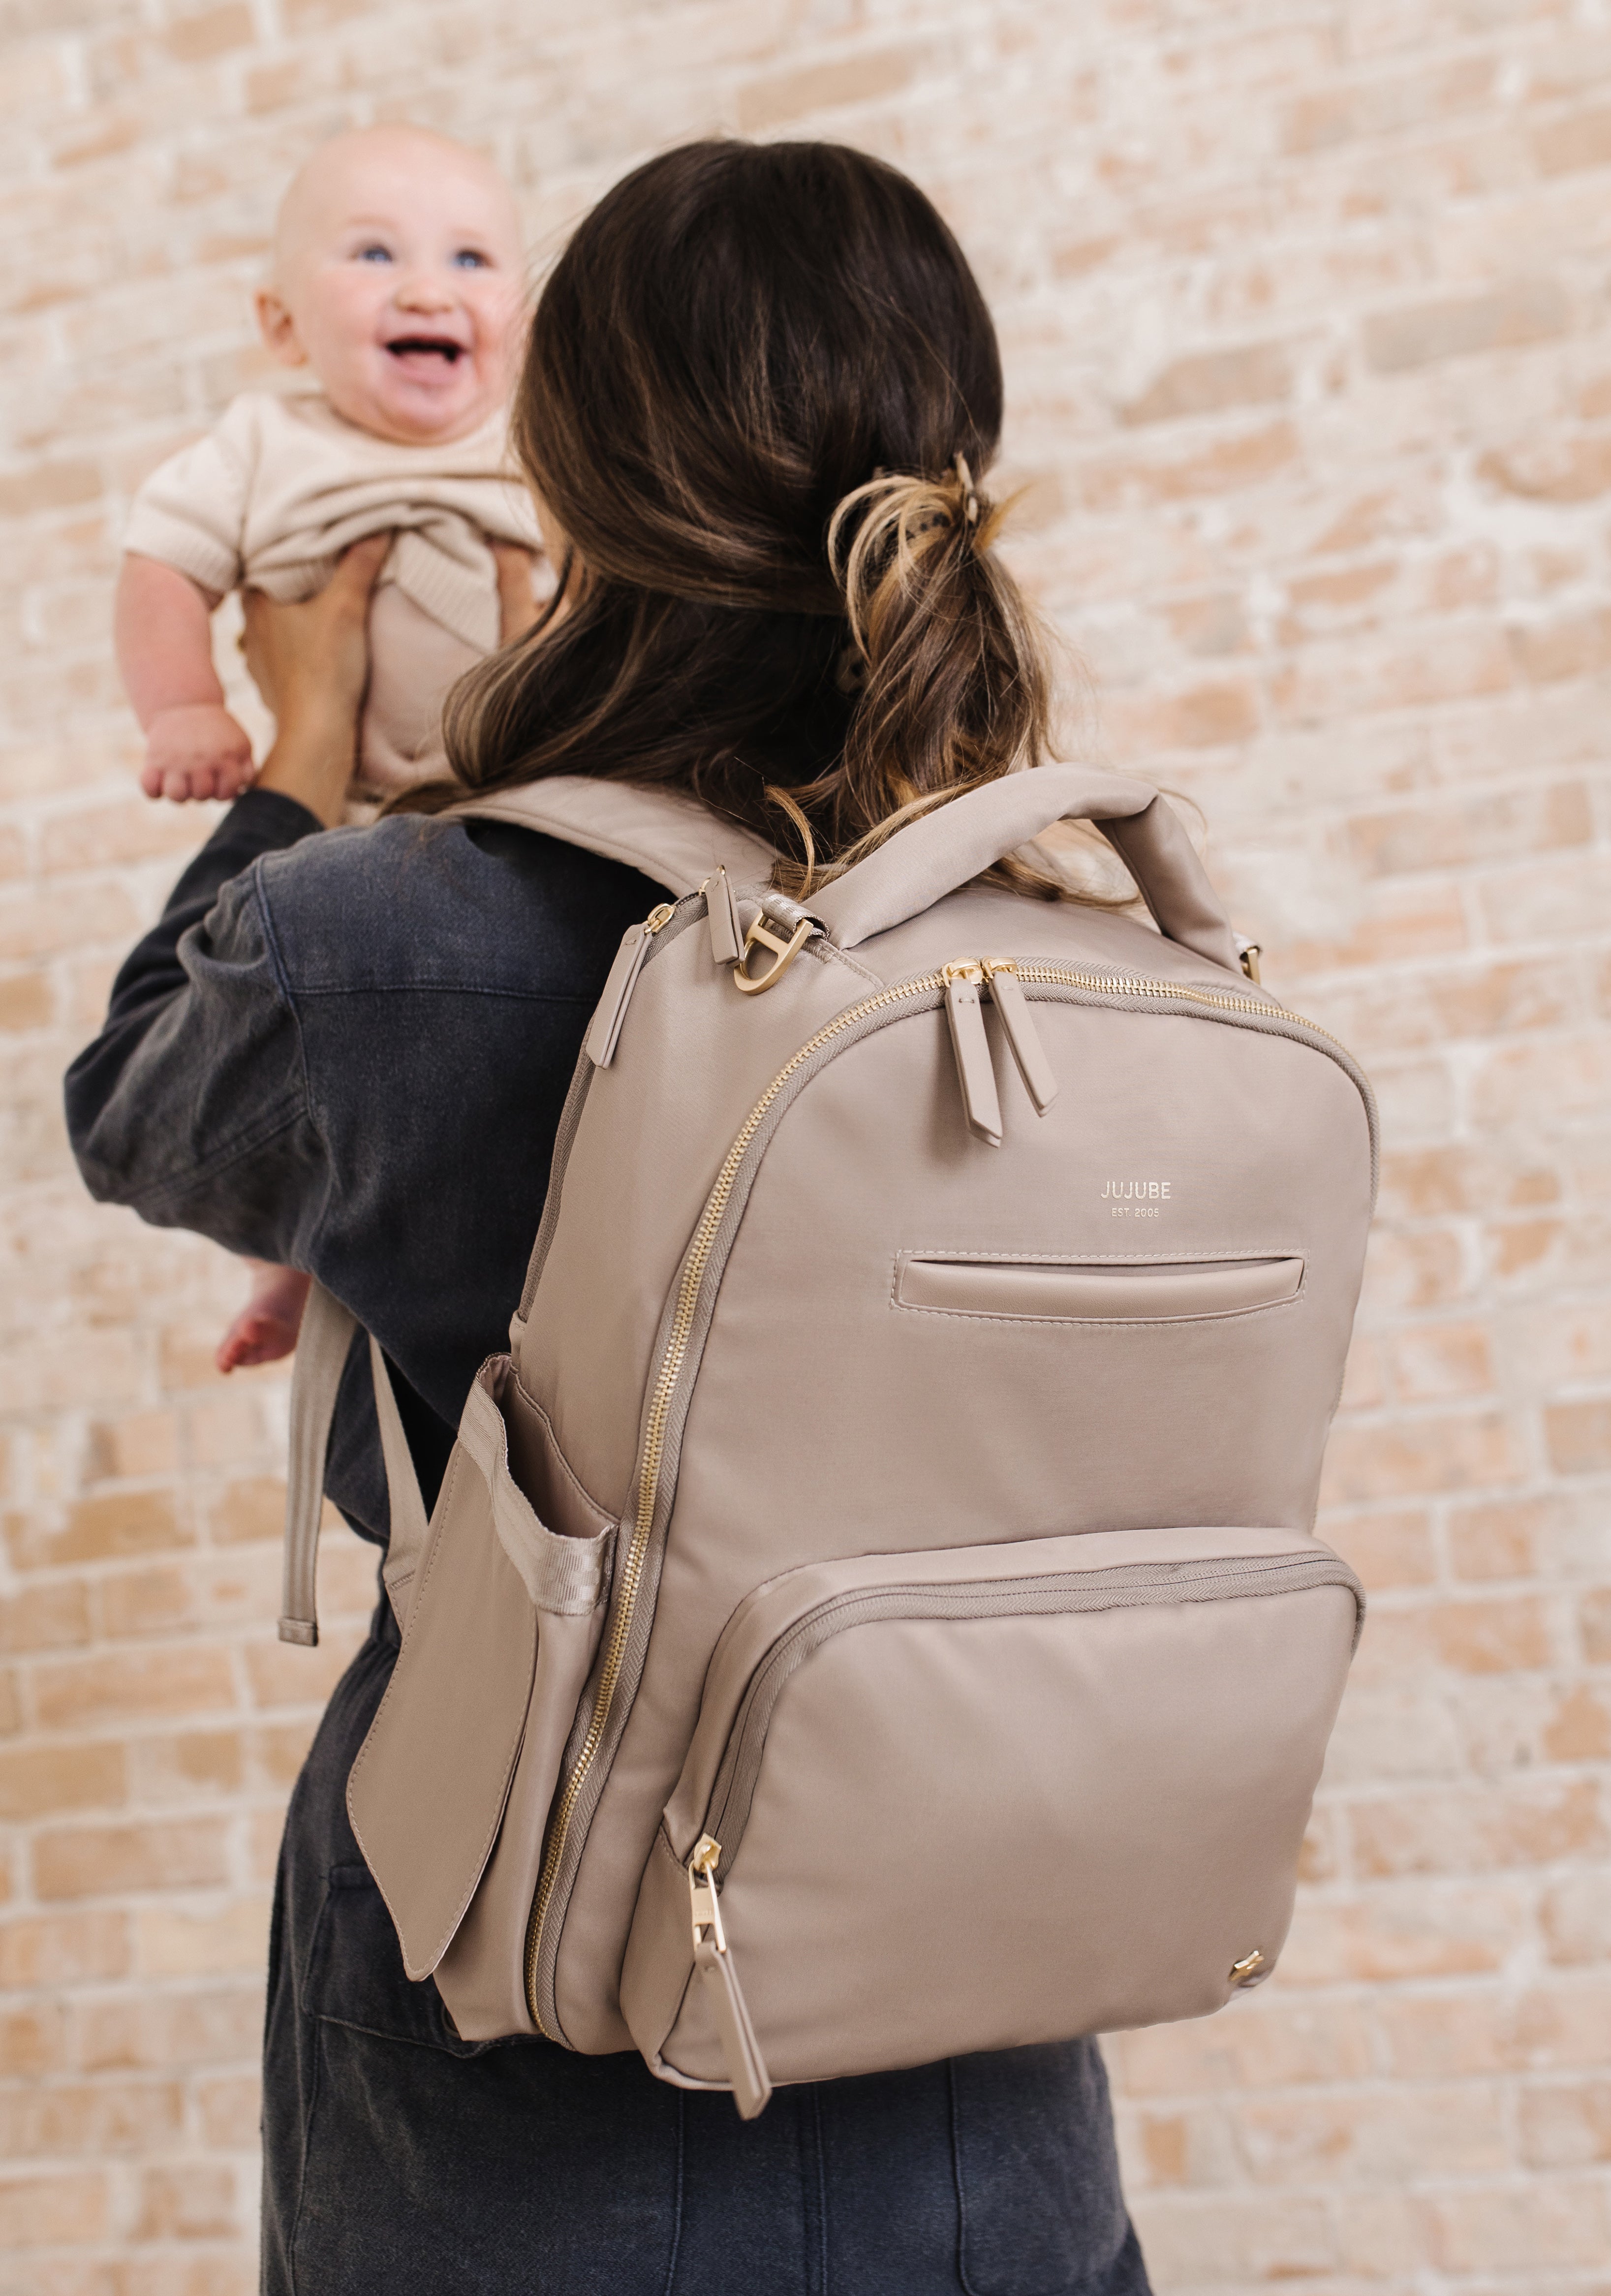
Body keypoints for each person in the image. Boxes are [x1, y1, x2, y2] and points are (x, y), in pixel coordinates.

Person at [65, 138, 1152, 2296]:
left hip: (520, 2121)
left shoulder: (399, 936)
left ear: (567, 469)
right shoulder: (1078, 950)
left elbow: (133, 1104)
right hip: (991, 2110)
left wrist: (301, 738)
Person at [114, 122, 549, 1374]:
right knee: (301, 1029)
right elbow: (162, 566)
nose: (427, 290)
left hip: (519, 825)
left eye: (470, 259)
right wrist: (186, 708)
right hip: (346, 820)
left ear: (522, 318)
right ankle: (290, 1257)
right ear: (283, 325)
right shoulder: (265, 444)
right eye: (373, 254)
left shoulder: (539, 447)